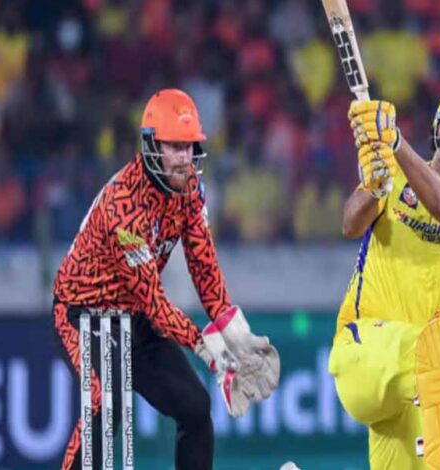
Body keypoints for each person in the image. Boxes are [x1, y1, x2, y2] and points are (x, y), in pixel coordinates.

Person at [51, 89, 279, 470]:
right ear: (151, 146)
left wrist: (236, 334)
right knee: (106, 402)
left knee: (195, 407)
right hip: (83, 315)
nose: (184, 158)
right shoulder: (124, 207)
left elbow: (205, 268)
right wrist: (212, 353)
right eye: (174, 147)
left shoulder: (189, 189)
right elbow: (155, 305)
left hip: (135, 318)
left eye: (189, 147)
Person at [328, 86, 440, 470]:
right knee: (437, 349)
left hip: (408, 384)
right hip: (362, 350)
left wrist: (394, 141)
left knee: (432, 350)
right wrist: (374, 187)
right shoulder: (393, 174)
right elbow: (350, 224)